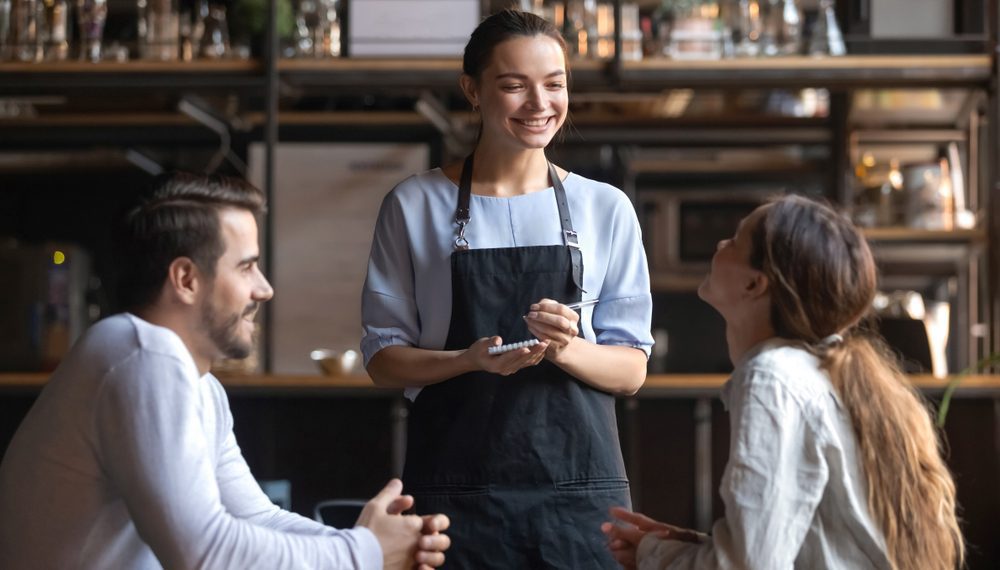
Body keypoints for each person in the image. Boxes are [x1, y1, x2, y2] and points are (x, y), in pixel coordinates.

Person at [0, 173, 451, 569]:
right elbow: (205, 554)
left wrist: (379, 546)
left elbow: (255, 517)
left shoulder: (198, 385)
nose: (265, 289)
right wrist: (365, 553)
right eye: (247, 266)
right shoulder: (142, 353)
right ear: (186, 279)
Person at [361, 9, 654, 569]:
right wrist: (467, 360)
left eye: (555, 84)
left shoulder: (605, 208)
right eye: (514, 85)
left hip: (578, 497)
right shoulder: (414, 204)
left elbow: (632, 369)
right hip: (454, 496)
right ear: (472, 90)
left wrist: (569, 349)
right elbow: (383, 359)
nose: (539, 104)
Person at [602, 195, 964, 569]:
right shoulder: (809, 370)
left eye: (735, 241)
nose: (719, 245)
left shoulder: (771, 378)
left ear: (754, 284)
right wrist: (691, 545)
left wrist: (653, 554)